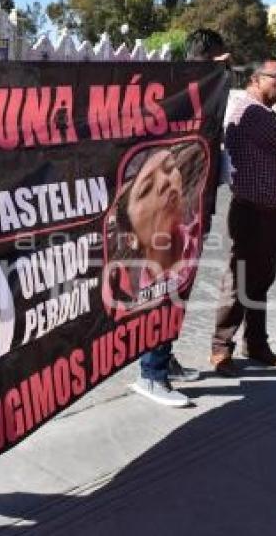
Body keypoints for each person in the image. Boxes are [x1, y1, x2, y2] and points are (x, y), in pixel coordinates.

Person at [131, 29, 230, 407]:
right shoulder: (183, 90)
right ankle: (151, 373)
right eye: (222, 57)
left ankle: (163, 358)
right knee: (165, 291)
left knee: (178, 290)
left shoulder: (201, 91)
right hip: (171, 218)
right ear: (209, 57)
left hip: (192, 211)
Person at [210, 57, 276, 378]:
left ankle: (255, 344)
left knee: (258, 283)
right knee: (240, 280)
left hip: (270, 215)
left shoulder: (262, 114)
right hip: (252, 213)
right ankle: (221, 349)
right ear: (255, 80)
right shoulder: (253, 113)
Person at [103, 142, 207, 406]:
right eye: (146, 189)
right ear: (131, 236)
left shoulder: (189, 232)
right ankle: (151, 376)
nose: (164, 182)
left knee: (174, 309)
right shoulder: (137, 282)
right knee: (160, 312)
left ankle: (164, 360)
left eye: (169, 169)